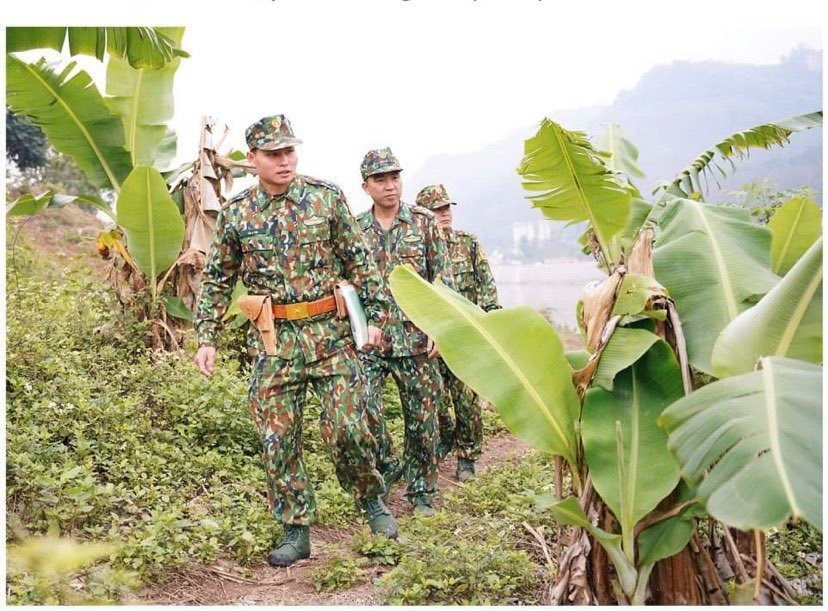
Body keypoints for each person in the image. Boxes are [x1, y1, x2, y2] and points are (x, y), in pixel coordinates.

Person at [193, 115, 396, 568]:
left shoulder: (325, 199)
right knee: (277, 439)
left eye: (289, 152)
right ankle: (295, 529)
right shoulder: (237, 213)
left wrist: (377, 318)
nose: (284, 161)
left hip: (329, 334)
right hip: (274, 340)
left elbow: (359, 261)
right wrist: (206, 337)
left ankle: (371, 501)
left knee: (347, 427)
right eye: (273, 154)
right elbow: (217, 281)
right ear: (253, 160)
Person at [355, 148, 454, 517]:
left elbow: (443, 279)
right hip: (372, 341)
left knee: (422, 420)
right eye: (380, 179)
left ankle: (422, 491)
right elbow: (348, 284)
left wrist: (441, 328)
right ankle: (385, 471)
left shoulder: (424, 222)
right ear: (366, 186)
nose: (390, 185)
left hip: (416, 339)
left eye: (394, 177)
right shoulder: (355, 228)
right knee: (365, 413)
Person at [414, 184, 501, 481]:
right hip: (430, 335)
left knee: (465, 397)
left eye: (447, 207)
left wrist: (491, 323)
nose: (445, 213)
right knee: (433, 395)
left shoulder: (468, 242)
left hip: (464, 333)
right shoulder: (416, 248)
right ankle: (445, 437)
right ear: (424, 215)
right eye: (437, 209)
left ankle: (467, 455)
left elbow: (486, 285)